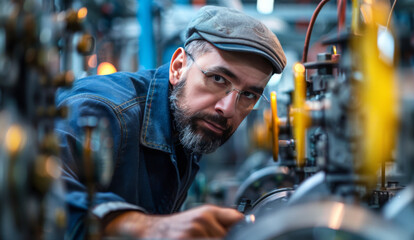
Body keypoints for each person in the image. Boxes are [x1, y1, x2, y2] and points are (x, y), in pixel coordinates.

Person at [56, 5, 286, 239]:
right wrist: (134, 224)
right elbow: (35, 192)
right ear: (178, 67)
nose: (227, 109)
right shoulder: (102, 111)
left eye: (249, 95)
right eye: (218, 79)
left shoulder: (188, 126)